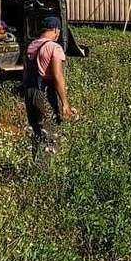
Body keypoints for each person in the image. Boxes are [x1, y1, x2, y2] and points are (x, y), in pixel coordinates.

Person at [22, 15, 76, 157]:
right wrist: (65, 103)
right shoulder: (54, 47)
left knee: (36, 130)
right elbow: (57, 76)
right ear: (56, 30)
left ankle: (36, 162)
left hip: (29, 92)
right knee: (50, 130)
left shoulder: (31, 46)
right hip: (45, 92)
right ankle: (48, 170)